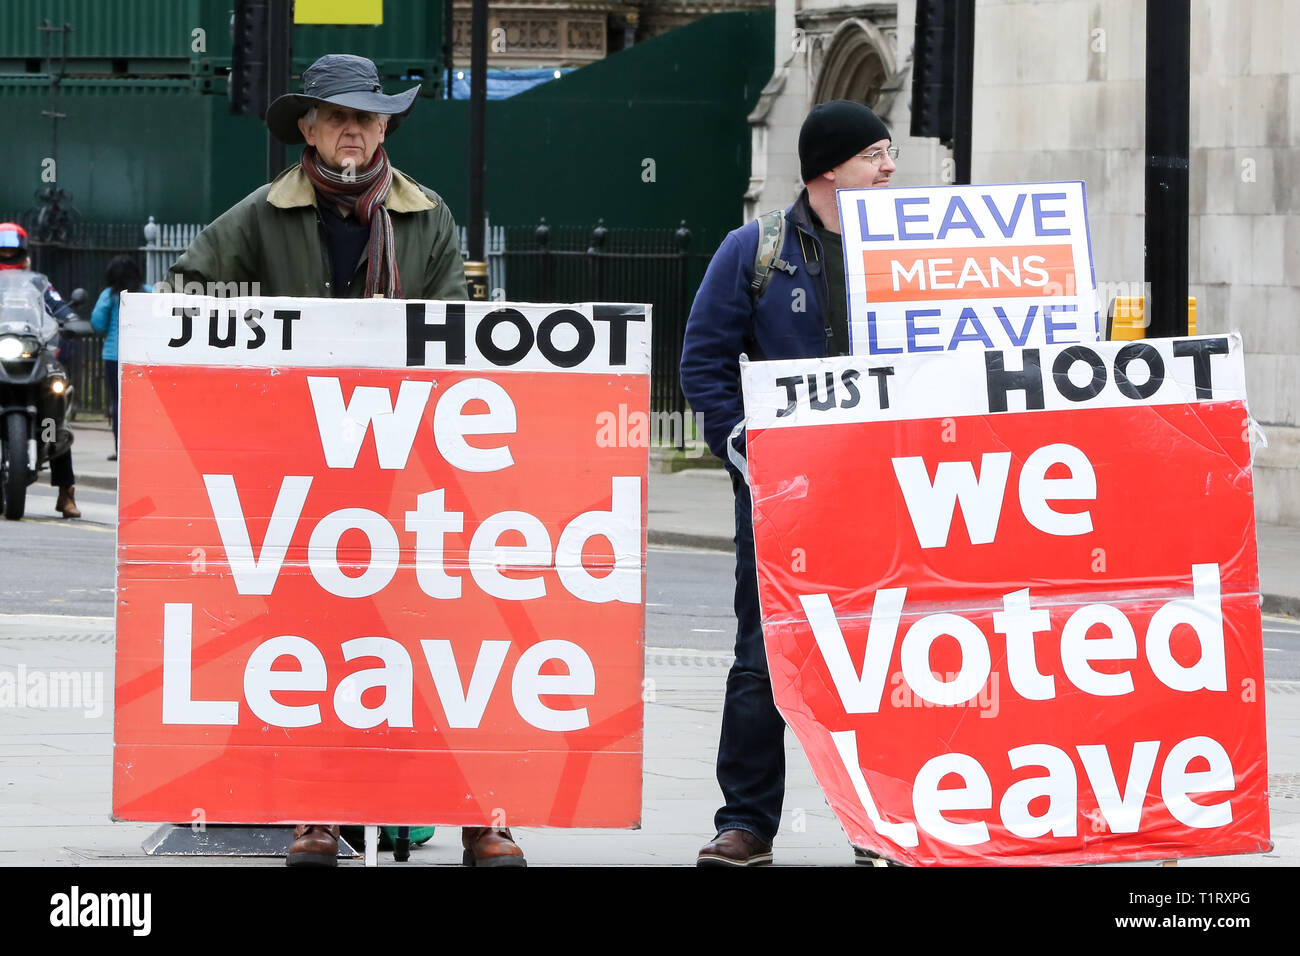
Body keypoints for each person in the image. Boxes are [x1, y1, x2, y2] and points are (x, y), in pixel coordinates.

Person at [167, 53, 523, 868]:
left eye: (368, 116)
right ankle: (315, 810)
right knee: (311, 643)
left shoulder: (428, 217)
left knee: (445, 641)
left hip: (409, 463)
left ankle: (483, 817)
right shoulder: (261, 214)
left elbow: (456, 341)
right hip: (299, 469)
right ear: (308, 128)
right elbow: (188, 293)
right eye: (337, 117)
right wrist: (258, 345)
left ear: (387, 126)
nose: (354, 130)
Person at [679, 100, 897, 866]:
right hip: (784, 499)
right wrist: (748, 454)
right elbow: (703, 363)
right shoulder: (756, 249)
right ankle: (746, 823)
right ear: (830, 167)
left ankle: (888, 824)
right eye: (876, 154)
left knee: (889, 655)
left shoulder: (910, 250)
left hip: (894, 494)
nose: (890, 166)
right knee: (762, 656)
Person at [0, 222, 83, 518]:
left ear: (23, 253)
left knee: (55, 403)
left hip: (33, 351)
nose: (7, 255)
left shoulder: (38, 283)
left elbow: (58, 305)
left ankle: (66, 492)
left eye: (12, 251)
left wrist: (71, 318)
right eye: (2, 251)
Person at [91, 255, 150, 461]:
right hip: (144, 354)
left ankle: (121, 449)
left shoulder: (108, 295)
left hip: (114, 356)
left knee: (119, 404)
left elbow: (98, 324)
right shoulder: (149, 293)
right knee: (145, 403)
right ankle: (144, 446)